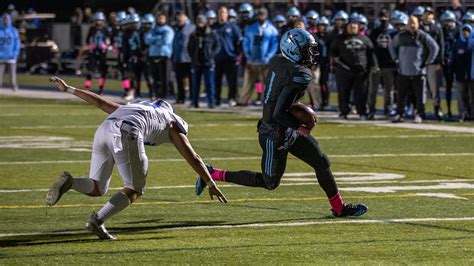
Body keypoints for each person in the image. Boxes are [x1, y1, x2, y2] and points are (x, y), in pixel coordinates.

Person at [194, 29, 368, 218]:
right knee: (270, 182)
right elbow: (279, 112)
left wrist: (296, 115)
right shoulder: (300, 74)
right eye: (305, 50)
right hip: (274, 132)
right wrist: (301, 126)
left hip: (284, 127)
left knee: (321, 161)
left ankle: (339, 208)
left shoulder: (278, 60)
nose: (310, 54)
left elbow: (281, 101)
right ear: (293, 50)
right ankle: (212, 173)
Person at [46, 76, 227, 240]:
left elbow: (99, 102)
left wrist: (69, 88)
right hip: (127, 131)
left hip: (103, 130)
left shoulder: (137, 107)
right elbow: (192, 156)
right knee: (135, 188)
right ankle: (97, 220)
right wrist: (211, 183)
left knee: (97, 187)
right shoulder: (171, 122)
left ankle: (71, 183)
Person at [390, 16, 439, 123]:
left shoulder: (423, 36)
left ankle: (419, 114)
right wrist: (396, 59)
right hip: (403, 71)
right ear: (407, 24)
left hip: (418, 72)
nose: (412, 25)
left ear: (418, 24)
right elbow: (392, 46)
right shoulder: (401, 36)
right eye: (410, 23)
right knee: (401, 95)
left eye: (414, 23)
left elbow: (435, 47)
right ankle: (399, 114)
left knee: (420, 95)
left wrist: (428, 62)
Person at [331, 16, 378, 120]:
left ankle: (362, 113)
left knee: (361, 94)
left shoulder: (365, 39)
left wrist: (373, 66)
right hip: (344, 72)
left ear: (358, 27)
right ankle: (344, 112)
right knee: (343, 93)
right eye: (350, 25)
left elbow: (371, 54)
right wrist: (341, 66)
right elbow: (334, 55)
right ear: (347, 27)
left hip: (361, 72)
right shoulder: (339, 39)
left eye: (355, 25)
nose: (353, 27)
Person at [238, 7, 279, 106]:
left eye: (263, 15)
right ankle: (243, 101)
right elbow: (246, 42)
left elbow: (274, 44)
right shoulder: (251, 28)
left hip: (265, 61)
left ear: (266, 16)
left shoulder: (272, 29)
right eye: (259, 15)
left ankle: (268, 101)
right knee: (248, 82)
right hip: (252, 60)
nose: (261, 17)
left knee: (267, 83)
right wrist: (247, 54)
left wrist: (269, 56)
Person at [368, 9, 398, 118]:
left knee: (388, 91)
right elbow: (370, 49)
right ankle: (371, 110)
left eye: (385, 17)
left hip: (389, 65)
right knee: (373, 90)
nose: (383, 19)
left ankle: (387, 110)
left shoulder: (394, 32)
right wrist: (373, 63)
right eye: (381, 17)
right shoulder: (374, 32)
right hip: (376, 65)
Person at [188, 15, 221, 108]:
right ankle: (195, 102)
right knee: (195, 84)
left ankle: (211, 103)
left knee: (209, 84)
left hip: (208, 62)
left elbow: (217, 45)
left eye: (202, 21)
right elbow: (189, 47)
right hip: (197, 62)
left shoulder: (211, 33)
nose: (200, 24)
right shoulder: (194, 34)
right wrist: (193, 57)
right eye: (199, 22)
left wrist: (212, 55)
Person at [213, 6, 242, 107]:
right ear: (218, 14)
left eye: (224, 12)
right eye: (220, 12)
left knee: (232, 81)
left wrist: (237, 56)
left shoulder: (233, 27)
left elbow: (239, 42)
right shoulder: (213, 27)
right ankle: (217, 99)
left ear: (227, 14)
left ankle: (231, 98)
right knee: (217, 81)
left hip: (230, 59)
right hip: (217, 59)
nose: (222, 14)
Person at [421, 7, 445, 120]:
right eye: (426, 14)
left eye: (430, 14)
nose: (427, 16)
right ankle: (421, 109)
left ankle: (437, 108)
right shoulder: (419, 28)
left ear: (433, 16)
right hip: (420, 61)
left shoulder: (436, 28)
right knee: (421, 87)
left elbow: (441, 45)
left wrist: (440, 61)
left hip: (433, 62)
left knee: (434, 87)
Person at [145, 14, 175, 99]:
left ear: (165, 20)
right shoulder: (153, 30)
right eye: (159, 18)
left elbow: (166, 41)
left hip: (164, 56)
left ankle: (164, 96)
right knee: (155, 78)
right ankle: (157, 95)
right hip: (153, 56)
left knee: (165, 78)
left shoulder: (168, 30)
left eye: (162, 19)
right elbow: (147, 40)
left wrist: (153, 40)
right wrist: (159, 38)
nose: (160, 20)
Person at [450, 24, 474, 122]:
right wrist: (451, 71)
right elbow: (453, 59)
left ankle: (472, 115)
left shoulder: (472, 43)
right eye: (464, 30)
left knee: (472, 97)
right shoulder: (457, 43)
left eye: (468, 31)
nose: (465, 33)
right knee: (461, 96)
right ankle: (462, 114)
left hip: (472, 75)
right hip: (460, 74)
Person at [172, 11, 195, 104]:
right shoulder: (176, 28)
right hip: (178, 57)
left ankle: (193, 97)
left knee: (191, 79)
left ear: (185, 17)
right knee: (179, 79)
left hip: (188, 57)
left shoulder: (191, 28)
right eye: (178, 17)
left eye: (181, 16)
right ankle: (181, 97)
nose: (179, 19)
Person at [84, 12, 110, 94]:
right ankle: (87, 88)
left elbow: (110, 40)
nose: (99, 22)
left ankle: (101, 89)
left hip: (102, 52)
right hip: (93, 51)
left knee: (102, 71)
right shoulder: (92, 29)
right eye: (97, 20)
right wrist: (91, 45)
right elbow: (87, 39)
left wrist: (106, 45)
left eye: (100, 20)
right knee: (90, 69)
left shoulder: (105, 29)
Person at [440, 10, 459, 117]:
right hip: (446, 62)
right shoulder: (441, 32)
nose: (448, 24)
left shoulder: (458, 31)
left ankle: (464, 110)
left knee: (462, 88)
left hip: (458, 62)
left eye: (450, 21)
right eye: (445, 21)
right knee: (448, 87)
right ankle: (448, 110)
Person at [314, 16, 331, 109]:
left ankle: (326, 102)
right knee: (316, 84)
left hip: (326, 62)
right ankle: (317, 102)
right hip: (317, 62)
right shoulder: (314, 36)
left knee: (325, 83)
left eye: (324, 25)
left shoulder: (329, 36)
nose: (322, 27)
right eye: (320, 25)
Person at [0, 14, 20, 91]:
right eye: (4, 19)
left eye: (7, 19)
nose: (6, 21)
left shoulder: (13, 31)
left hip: (11, 57)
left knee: (12, 75)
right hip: (1, 57)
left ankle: (14, 88)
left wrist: (15, 53)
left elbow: (17, 43)